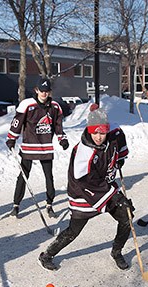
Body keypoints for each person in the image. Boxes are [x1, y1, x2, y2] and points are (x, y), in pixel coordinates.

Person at [37, 105, 133, 271]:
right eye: (94, 132)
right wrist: (115, 197)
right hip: (84, 193)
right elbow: (87, 181)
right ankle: (47, 255)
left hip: (105, 187)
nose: (98, 137)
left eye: (102, 133)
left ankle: (116, 252)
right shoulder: (84, 152)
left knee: (127, 216)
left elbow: (119, 137)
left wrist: (120, 158)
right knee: (73, 231)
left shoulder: (114, 134)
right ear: (89, 130)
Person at [6, 77, 68, 219]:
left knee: (49, 177)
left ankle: (49, 204)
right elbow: (17, 123)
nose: (44, 94)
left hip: (46, 147)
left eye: (47, 91)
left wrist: (62, 140)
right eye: (42, 91)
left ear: (50, 92)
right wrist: (11, 138)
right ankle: (16, 205)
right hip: (29, 147)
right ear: (36, 90)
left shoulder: (55, 107)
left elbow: (58, 127)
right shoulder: (27, 105)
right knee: (23, 176)